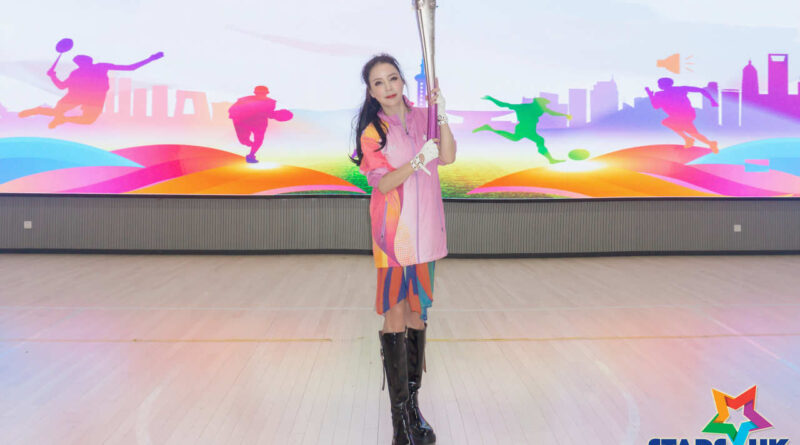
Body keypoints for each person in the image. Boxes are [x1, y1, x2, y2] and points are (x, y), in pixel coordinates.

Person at [350, 54, 455, 445]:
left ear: (402, 81)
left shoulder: (425, 117)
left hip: (425, 232)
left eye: (392, 78)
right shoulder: (373, 131)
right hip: (394, 234)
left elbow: (448, 156)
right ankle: (399, 422)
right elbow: (382, 183)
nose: (388, 87)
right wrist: (416, 160)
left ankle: (413, 408)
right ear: (371, 92)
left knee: (417, 313)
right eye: (378, 82)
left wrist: (442, 115)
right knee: (395, 312)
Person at [19, 52, 164, 129]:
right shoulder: (80, 72)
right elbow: (61, 87)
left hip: (93, 99)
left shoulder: (96, 67)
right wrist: (53, 76)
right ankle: (40, 111)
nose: (82, 64)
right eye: (80, 63)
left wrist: (150, 59)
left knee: (86, 120)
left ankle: (61, 119)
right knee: (60, 113)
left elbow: (130, 68)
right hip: (82, 97)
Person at [473, 95, 571, 164]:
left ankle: (489, 128)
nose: (545, 105)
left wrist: (565, 115)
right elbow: (504, 104)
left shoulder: (541, 108)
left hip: (529, 128)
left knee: (517, 138)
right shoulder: (523, 107)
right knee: (539, 140)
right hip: (524, 128)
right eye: (544, 103)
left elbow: (552, 112)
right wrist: (491, 99)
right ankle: (551, 160)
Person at [646, 77, 719, 153]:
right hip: (687, 114)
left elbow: (656, 106)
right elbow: (701, 90)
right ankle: (710, 143)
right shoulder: (680, 89)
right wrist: (712, 100)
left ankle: (689, 139)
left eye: (659, 84)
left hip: (680, 116)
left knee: (667, 122)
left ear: (660, 85)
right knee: (693, 133)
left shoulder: (660, 94)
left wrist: (651, 96)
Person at [228, 86, 293, 163]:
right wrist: (237, 117)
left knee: (258, 140)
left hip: (259, 124)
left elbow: (268, 113)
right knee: (245, 141)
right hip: (244, 122)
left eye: (263, 93)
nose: (261, 95)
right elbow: (232, 110)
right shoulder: (244, 100)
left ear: (266, 93)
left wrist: (276, 115)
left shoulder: (270, 102)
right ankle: (250, 146)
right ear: (255, 93)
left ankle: (251, 155)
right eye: (259, 93)